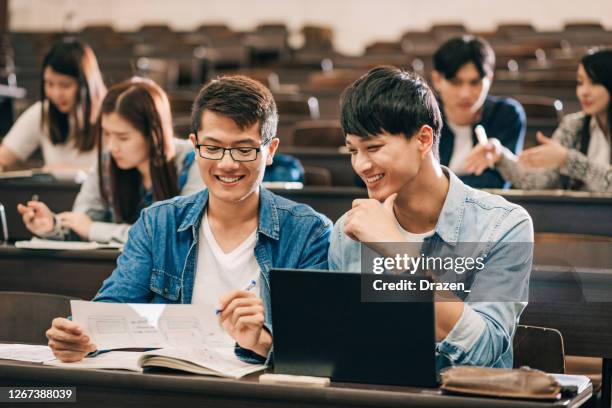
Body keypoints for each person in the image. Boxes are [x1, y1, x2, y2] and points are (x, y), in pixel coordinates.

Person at [45, 75, 332, 363]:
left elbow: (319, 344)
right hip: (174, 387)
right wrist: (78, 337)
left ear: (270, 150)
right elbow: (112, 306)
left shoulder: (309, 232)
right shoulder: (158, 223)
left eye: (244, 149)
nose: (227, 163)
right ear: (194, 146)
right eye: (213, 147)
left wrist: (261, 341)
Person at [328, 66, 533, 369]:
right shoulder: (348, 230)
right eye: (353, 150)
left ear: (423, 139)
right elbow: (341, 343)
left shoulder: (503, 225)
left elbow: (485, 349)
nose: (361, 164)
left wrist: (400, 256)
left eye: (373, 148)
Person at [17, 77, 203, 244]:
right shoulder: (107, 162)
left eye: (123, 137)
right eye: (107, 134)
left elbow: (177, 235)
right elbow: (80, 223)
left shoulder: (192, 159)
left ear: (154, 134)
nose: (112, 146)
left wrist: (94, 230)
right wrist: (52, 226)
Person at [465, 48, 612, 192]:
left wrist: (567, 160)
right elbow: (541, 182)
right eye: (580, 83)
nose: (584, 92)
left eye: (594, 83)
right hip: (581, 214)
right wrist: (500, 157)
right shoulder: (573, 126)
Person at [431, 36, 525, 189]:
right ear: (437, 80)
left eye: (475, 82)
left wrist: (437, 186)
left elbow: (497, 183)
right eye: (455, 82)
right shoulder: (422, 115)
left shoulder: (506, 114)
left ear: (489, 79)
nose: (465, 94)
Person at [0, 38, 106, 172]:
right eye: (49, 84)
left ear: (86, 84)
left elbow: (113, 171)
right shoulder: (42, 112)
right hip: (54, 193)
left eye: (65, 85)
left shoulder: (109, 114)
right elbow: (4, 157)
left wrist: (62, 171)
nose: (56, 94)